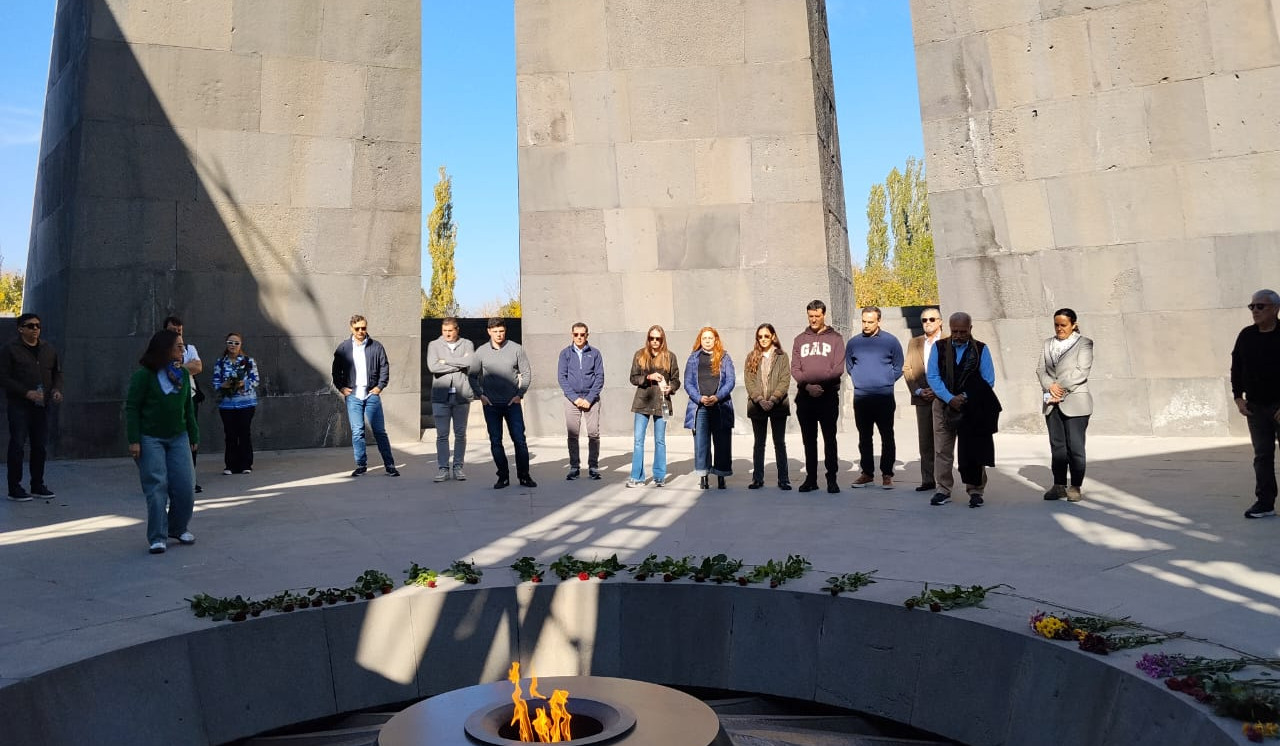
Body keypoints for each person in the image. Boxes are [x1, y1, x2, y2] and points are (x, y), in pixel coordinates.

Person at [125, 329, 199, 554]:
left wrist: (193, 435)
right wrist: (134, 440)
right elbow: (132, 407)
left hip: (179, 436)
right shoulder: (144, 376)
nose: (182, 350)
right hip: (150, 438)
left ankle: (177, 528)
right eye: (178, 346)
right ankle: (157, 536)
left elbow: (188, 407)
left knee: (186, 486)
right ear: (165, 348)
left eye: (183, 346)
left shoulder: (184, 375)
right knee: (157, 485)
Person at [926, 312, 999, 508]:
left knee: (973, 450)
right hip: (943, 406)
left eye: (962, 331)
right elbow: (932, 377)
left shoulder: (981, 349)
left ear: (970, 329)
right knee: (942, 450)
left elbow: (988, 380)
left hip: (972, 408)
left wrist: (964, 397)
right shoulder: (939, 347)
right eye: (954, 331)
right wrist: (950, 398)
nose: (958, 335)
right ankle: (943, 490)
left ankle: (975, 490)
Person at [0, 313, 62, 500]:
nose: (35, 329)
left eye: (38, 326)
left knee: (40, 446)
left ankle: (37, 484)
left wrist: (57, 390)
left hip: (41, 405)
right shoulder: (10, 350)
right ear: (21, 329)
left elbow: (57, 372)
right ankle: (15, 488)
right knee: (18, 445)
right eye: (30, 326)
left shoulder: (48, 349)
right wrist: (26, 392)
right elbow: (3, 377)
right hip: (19, 405)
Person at [1232, 289, 1280, 519]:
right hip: (1255, 408)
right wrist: (1238, 397)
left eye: (1260, 306)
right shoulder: (1246, 335)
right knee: (1262, 455)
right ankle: (1265, 503)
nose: (1255, 311)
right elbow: (1237, 367)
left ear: (1275, 309)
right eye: (1252, 307)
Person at [1037, 309, 1094, 502]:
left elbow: (1081, 371)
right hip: (1051, 401)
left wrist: (1059, 387)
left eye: (1064, 325)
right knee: (1057, 447)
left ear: (1073, 324)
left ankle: (1075, 486)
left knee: (1075, 446)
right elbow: (1041, 369)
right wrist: (1049, 386)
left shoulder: (1084, 343)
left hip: (1076, 401)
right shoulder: (1048, 344)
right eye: (1056, 325)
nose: (1059, 328)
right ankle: (1058, 484)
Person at [331, 315, 399, 477]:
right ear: (351, 329)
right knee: (357, 432)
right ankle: (361, 465)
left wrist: (380, 386)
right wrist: (341, 387)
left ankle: (389, 464)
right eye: (357, 329)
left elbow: (384, 367)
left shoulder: (376, 347)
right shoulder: (343, 348)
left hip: (371, 395)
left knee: (379, 431)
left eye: (364, 328)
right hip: (353, 396)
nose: (361, 331)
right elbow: (335, 371)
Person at [471, 318, 535, 489]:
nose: (499, 334)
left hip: (512, 403)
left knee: (520, 440)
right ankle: (503, 477)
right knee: (496, 441)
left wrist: (520, 394)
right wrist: (481, 395)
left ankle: (524, 476)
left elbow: (527, 373)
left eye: (501, 331)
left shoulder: (516, 349)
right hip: (491, 405)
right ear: (489, 331)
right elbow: (472, 376)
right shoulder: (481, 352)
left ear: (505, 331)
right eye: (495, 331)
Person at [845, 306, 904, 489]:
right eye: (864, 321)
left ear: (879, 321)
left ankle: (887, 474)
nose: (866, 325)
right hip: (862, 397)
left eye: (870, 322)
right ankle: (867, 473)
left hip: (884, 396)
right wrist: (860, 380)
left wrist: (885, 380)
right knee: (864, 437)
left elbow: (898, 366)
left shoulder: (891, 341)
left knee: (887, 435)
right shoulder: (854, 343)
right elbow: (849, 366)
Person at [791, 300, 845, 494]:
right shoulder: (800, 340)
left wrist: (820, 386)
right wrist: (808, 386)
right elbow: (795, 368)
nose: (814, 319)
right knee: (809, 440)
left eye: (817, 316)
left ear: (824, 315)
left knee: (829, 439)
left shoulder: (836, 339)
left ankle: (832, 479)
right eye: (811, 316)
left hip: (828, 397)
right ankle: (811, 479)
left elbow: (838, 368)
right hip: (805, 399)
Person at [628, 325, 680, 487]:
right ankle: (637, 476)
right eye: (652, 338)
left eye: (658, 338)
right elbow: (633, 378)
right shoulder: (640, 355)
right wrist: (649, 377)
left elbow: (676, 379)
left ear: (662, 339)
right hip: (643, 401)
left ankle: (659, 476)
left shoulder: (670, 357)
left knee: (660, 440)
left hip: (661, 402)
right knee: (638, 440)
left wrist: (670, 387)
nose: (655, 341)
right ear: (648, 339)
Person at [684, 327, 736, 490]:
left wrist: (718, 397)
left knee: (722, 442)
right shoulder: (693, 358)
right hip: (700, 407)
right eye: (704, 338)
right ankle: (704, 476)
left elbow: (730, 381)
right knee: (701, 443)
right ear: (700, 340)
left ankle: (721, 475)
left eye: (710, 338)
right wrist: (699, 398)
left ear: (716, 340)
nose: (707, 341)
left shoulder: (724, 357)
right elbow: (688, 383)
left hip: (720, 406)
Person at [426, 317, 474, 483]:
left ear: (457, 330)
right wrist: (459, 365)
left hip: (461, 394)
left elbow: (470, 362)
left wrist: (445, 362)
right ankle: (443, 468)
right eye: (444, 330)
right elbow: (433, 367)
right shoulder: (434, 345)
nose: (447, 334)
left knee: (460, 434)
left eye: (450, 330)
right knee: (442, 435)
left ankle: (458, 467)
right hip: (441, 396)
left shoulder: (467, 344)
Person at [744, 323, 791, 490]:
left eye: (766, 336)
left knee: (779, 442)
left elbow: (785, 380)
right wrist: (759, 399)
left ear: (773, 336)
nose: (763, 339)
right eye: (760, 336)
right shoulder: (752, 356)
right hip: (757, 406)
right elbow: (749, 381)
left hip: (777, 405)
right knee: (759, 443)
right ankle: (758, 478)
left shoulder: (782, 356)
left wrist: (772, 399)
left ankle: (783, 479)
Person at [903, 308, 945, 492]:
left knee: (943, 441)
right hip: (922, 398)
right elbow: (908, 369)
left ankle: (944, 481)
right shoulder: (915, 343)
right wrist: (918, 390)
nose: (927, 322)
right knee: (925, 441)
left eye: (932, 319)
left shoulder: (948, 341)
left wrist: (938, 391)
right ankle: (928, 480)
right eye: (924, 320)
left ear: (940, 322)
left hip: (944, 398)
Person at [557, 322, 605, 480]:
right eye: (576, 334)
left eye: (582, 334)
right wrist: (575, 398)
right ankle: (574, 467)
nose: (579, 337)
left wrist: (590, 398)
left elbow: (599, 377)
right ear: (572, 335)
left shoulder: (595, 353)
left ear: (587, 335)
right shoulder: (565, 354)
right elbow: (562, 378)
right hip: (572, 400)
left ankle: (593, 467)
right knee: (572, 434)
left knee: (593, 434)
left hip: (591, 399)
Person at [164, 316, 204, 493]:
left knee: (190, 441)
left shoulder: (190, 348)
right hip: (166, 400)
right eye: (173, 330)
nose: (176, 334)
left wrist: (178, 367)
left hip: (189, 397)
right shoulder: (158, 350)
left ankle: (190, 480)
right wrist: (185, 367)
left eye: (179, 331)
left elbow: (198, 367)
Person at [211, 332, 259, 475]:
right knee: (230, 434)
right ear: (226, 344)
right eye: (230, 343)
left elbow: (255, 380)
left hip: (246, 403)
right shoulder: (220, 362)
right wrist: (223, 385)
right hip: (227, 405)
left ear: (240, 345)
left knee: (244, 433)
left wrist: (243, 383)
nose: (233, 346)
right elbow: (215, 382)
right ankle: (230, 465)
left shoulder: (248, 361)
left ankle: (246, 464)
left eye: (236, 343)